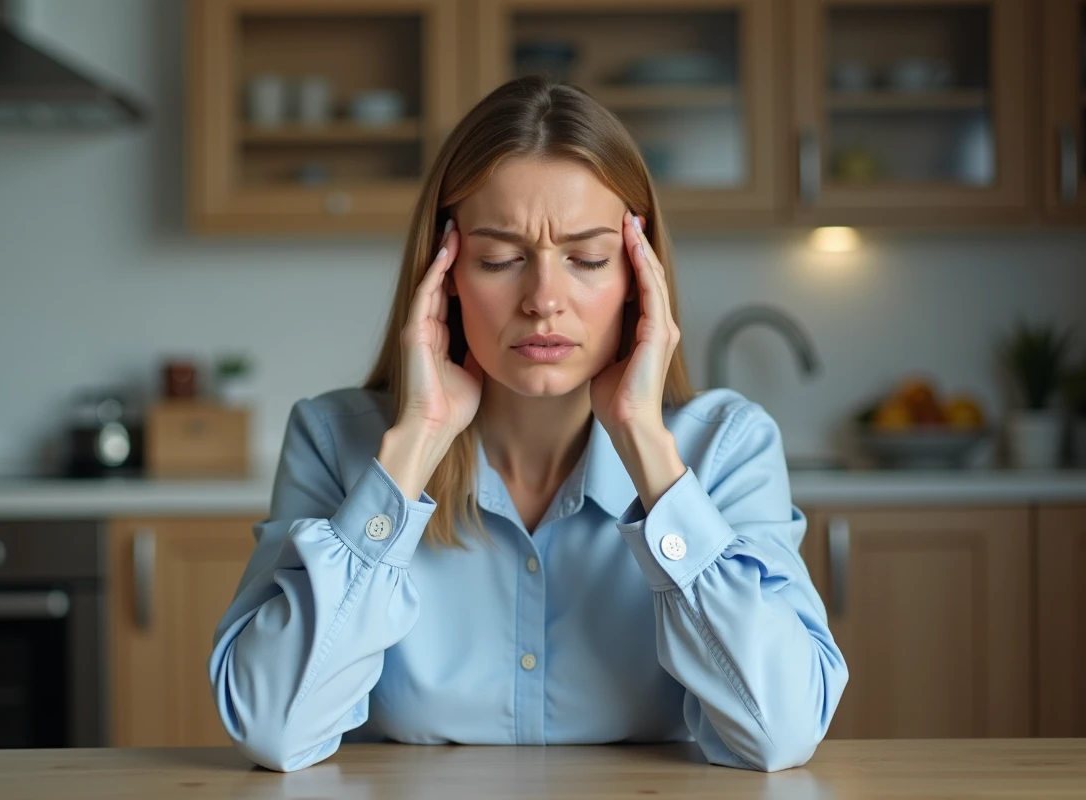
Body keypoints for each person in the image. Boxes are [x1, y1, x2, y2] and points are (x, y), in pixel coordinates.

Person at [209, 76, 847, 773]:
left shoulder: (725, 448)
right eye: (501, 259)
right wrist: (415, 443)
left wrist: (646, 448)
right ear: (444, 273)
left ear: (640, 273)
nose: (544, 300)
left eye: (588, 259)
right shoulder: (336, 443)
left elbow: (782, 732)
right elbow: (273, 730)